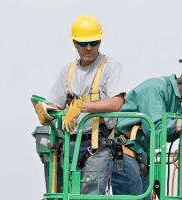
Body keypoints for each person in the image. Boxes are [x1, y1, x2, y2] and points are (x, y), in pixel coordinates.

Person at [34, 15, 126, 195]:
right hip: (70, 143)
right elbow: (56, 104)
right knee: (66, 195)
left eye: (94, 42)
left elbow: (117, 103)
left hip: (98, 145)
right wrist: (46, 111)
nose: (89, 48)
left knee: (89, 196)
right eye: (84, 43)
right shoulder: (68, 71)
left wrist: (81, 106)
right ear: (74, 43)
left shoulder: (111, 67)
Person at [111, 65, 182, 199]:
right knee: (135, 195)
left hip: (138, 156)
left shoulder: (173, 97)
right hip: (124, 152)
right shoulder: (155, 88)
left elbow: (168, 134)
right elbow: (155, 127)